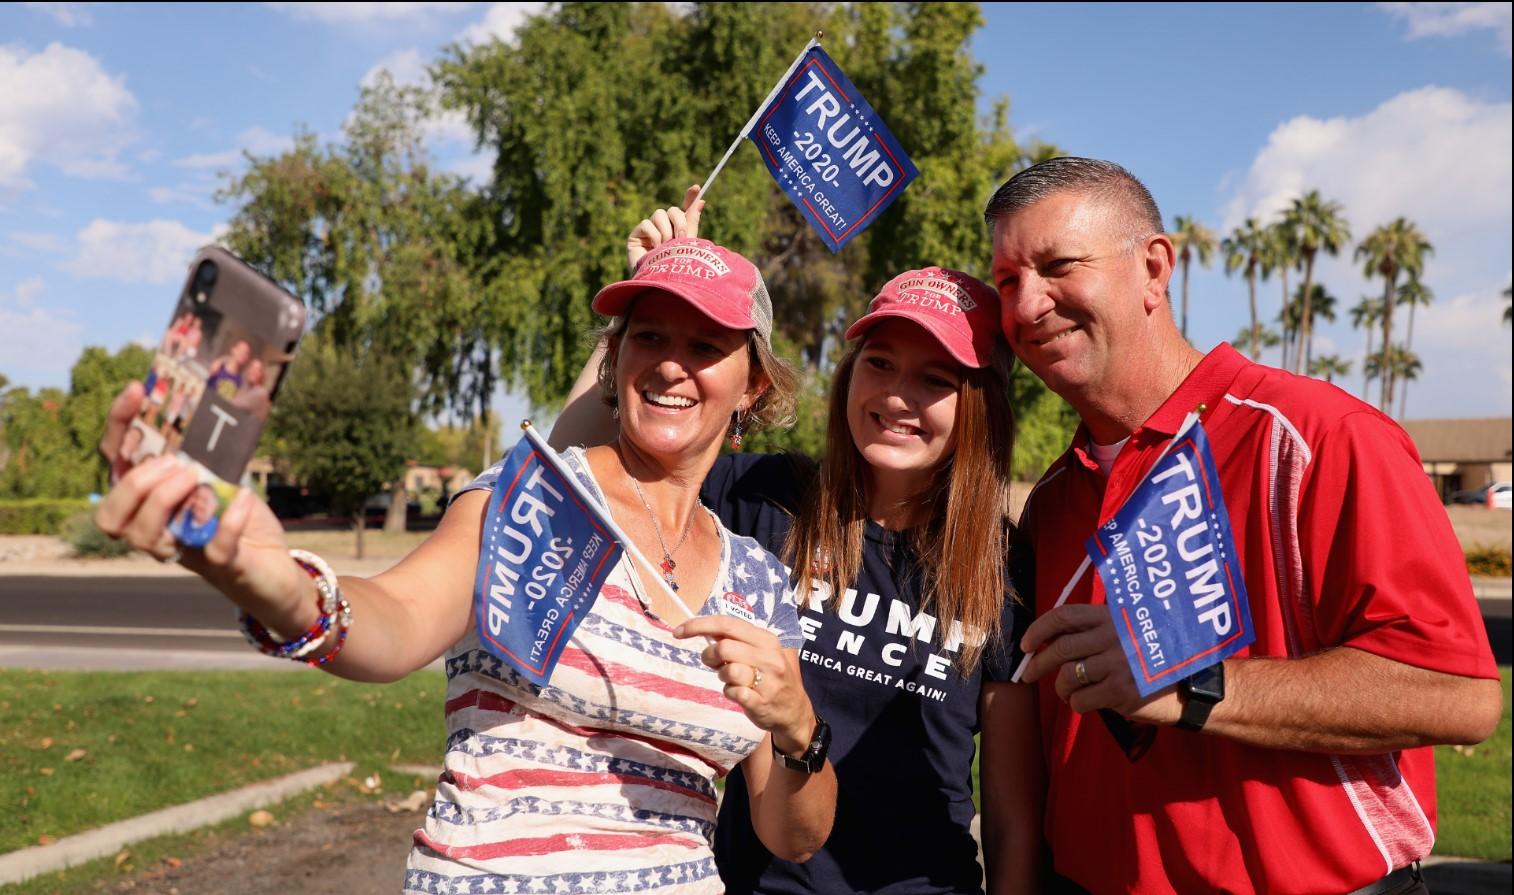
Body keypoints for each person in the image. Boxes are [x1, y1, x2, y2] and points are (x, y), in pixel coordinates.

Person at [95, 239, 837, 895]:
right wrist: (276, 581)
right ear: (616, 357)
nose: (672, 362)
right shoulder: (539, 497)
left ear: (754, 386)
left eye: (706, 344)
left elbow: (791, 833)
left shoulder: (757, 582)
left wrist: (800, 730)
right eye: (648, 335)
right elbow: (394, 621)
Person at [985, 157, 1501, 894]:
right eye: (1007, 282)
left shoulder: (1320, 435)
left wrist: (1194, 683)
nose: (1027, 305)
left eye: (1058, 265)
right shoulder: (1055, 500)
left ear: (1154, 269)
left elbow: (1460, 693)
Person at [553, 191, 1043, 894]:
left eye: (936, 379)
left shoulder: (1000, 560)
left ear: (980, 407)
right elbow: (574, 480)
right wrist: (653, 302)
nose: (898, 395)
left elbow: (1011, 816)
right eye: (879, 362)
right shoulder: (769, 500)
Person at [167, 482, 220, 547]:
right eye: (196, 497)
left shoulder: (217, 529)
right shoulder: (183, 514)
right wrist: (184, 508)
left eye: (205, 500)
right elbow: (172, 532)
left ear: (215, 506)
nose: (198, 503)